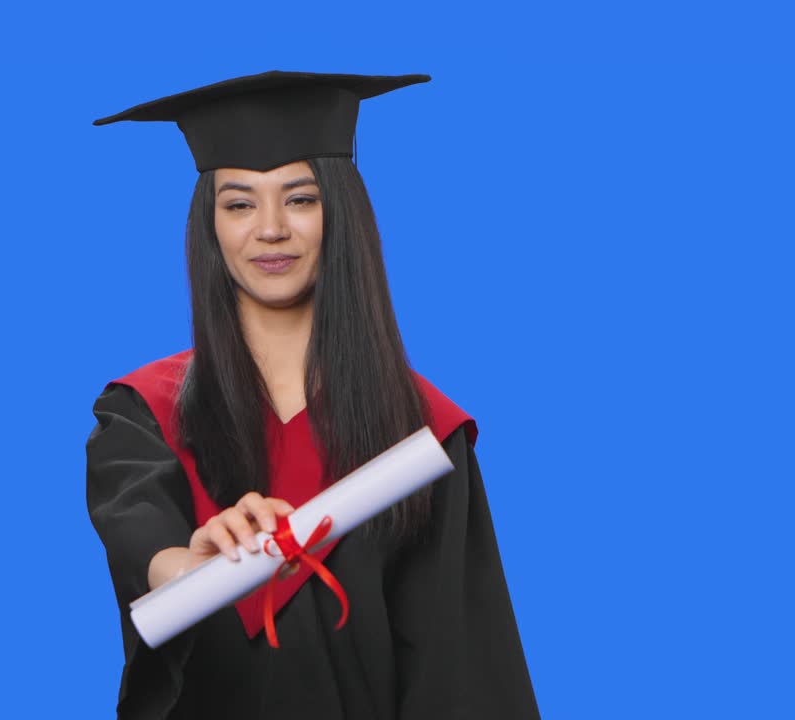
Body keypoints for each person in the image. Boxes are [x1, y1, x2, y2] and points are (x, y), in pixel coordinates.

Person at [85, 71, 539, 719]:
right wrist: (196, 571)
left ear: (339, 213)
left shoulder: (420, 435)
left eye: (299, 199)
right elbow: (147, 550)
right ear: (209, 227)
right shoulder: (141, 414)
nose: (270, 229)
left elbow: (458, 669)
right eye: (239, 203)